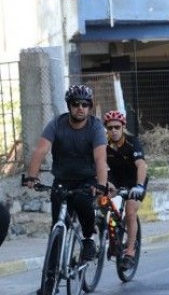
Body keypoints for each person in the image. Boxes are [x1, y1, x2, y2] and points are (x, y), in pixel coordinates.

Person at [24, 85, 109, 266]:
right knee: (58, 226)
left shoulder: (96, 127)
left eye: (85, 104)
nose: (80, 108)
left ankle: (88, 239)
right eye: (76, 104)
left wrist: (101, 185)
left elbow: (100, 158)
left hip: (87, 179)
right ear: (69, 106)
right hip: (62, 180)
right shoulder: (56, 124)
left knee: (82, 202)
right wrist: (32, 176)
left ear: (90, 107)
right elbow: (40, 150)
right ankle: (50, 280)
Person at [103, 110, 148, 270]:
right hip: (114, 179)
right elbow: (98, 164)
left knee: (130, 211)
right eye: (110, 128)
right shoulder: (104, 144)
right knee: (101, 204)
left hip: (134, 180)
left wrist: (139, 186)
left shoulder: (132, 142)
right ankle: (110, 238)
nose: (113, 131)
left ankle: (130, 252)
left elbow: (141, 165)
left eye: (116, 127)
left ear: (123, 127)